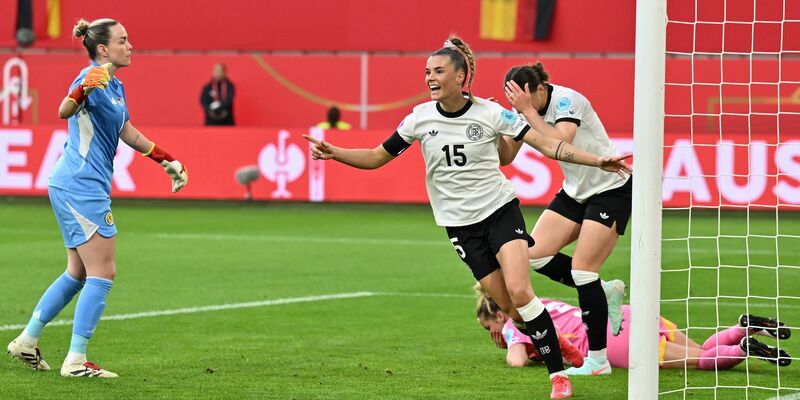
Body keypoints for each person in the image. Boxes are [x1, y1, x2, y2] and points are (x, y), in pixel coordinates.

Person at [305, 35, 631, 399]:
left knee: (522, 291)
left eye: (439, 70)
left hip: (500, 212)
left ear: (460, 77)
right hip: (460, 226)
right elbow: (377, 156)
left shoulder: (491, 113)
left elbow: (549, 144)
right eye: (427, 71)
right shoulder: (418, 118)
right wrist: (335, 153)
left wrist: (596, 159)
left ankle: (558, 377)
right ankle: (567, 350)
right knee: (510, 308)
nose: (430, 77)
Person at [6, 18, 188, 378]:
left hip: (75, 183)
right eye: (123, 40)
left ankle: (27, 340)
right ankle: (75, 361)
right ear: (103, 49)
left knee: (77, 272)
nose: (130, 45)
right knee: (103, 271)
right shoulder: (91, 76)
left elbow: (127, 132)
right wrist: (80, 91)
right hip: (81, 185)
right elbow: (64, 110)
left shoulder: (115, 85)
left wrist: (166, 159)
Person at [500, 62, 632, 376]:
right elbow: (507, 156)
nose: (518, 106)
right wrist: (495, 128)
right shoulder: (524, 112)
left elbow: (563, 141)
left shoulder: (566, 100)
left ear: (539, 90)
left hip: (610, 187)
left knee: (583, 270)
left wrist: (527, 113)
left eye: (522, 98)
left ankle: (598, 361)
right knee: (533, 255)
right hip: (574, 192)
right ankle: (605, 290)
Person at [475, 287, 793, 370]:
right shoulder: (538, 302)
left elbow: (516, 359)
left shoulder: (516, 322)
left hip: (614, 340)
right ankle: (743, 330)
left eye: (487, 326)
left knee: (699, 363)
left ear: (499, 316)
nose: (490, 334)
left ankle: (741, 349)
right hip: (626, 315)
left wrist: (514, 343)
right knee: (703, 350)